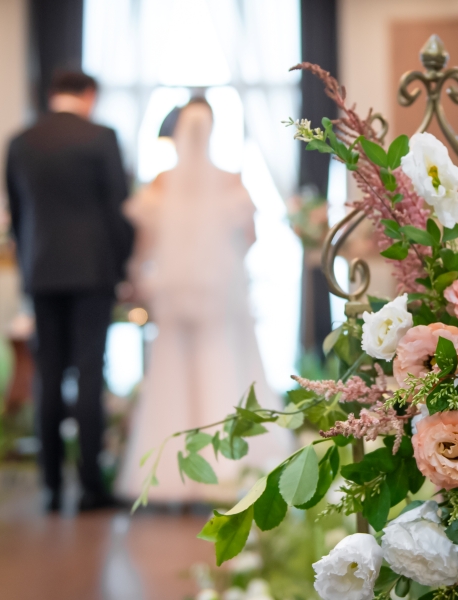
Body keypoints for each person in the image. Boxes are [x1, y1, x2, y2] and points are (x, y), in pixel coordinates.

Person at [116, 98, 287, 504]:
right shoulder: (230, 181)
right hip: (219, 293)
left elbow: (145, 244)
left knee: (171, 375)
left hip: (173, 293)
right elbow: (250, 237)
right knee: (223, 368)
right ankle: (226, 469)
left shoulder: (160, 184)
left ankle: (170, 475)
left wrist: (138, 277)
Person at [6, 71, 134, 512]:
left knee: (48, 374)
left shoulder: (20, 141)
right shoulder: (101, 138)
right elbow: (118, 209)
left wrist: (28, 266)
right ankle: (91, 486)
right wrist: (121, 266)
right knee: (90, 375)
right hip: (93, 273)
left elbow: (16, 216)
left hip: (41, 272)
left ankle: (51, 486)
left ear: (51, 94)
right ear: (89, 95)